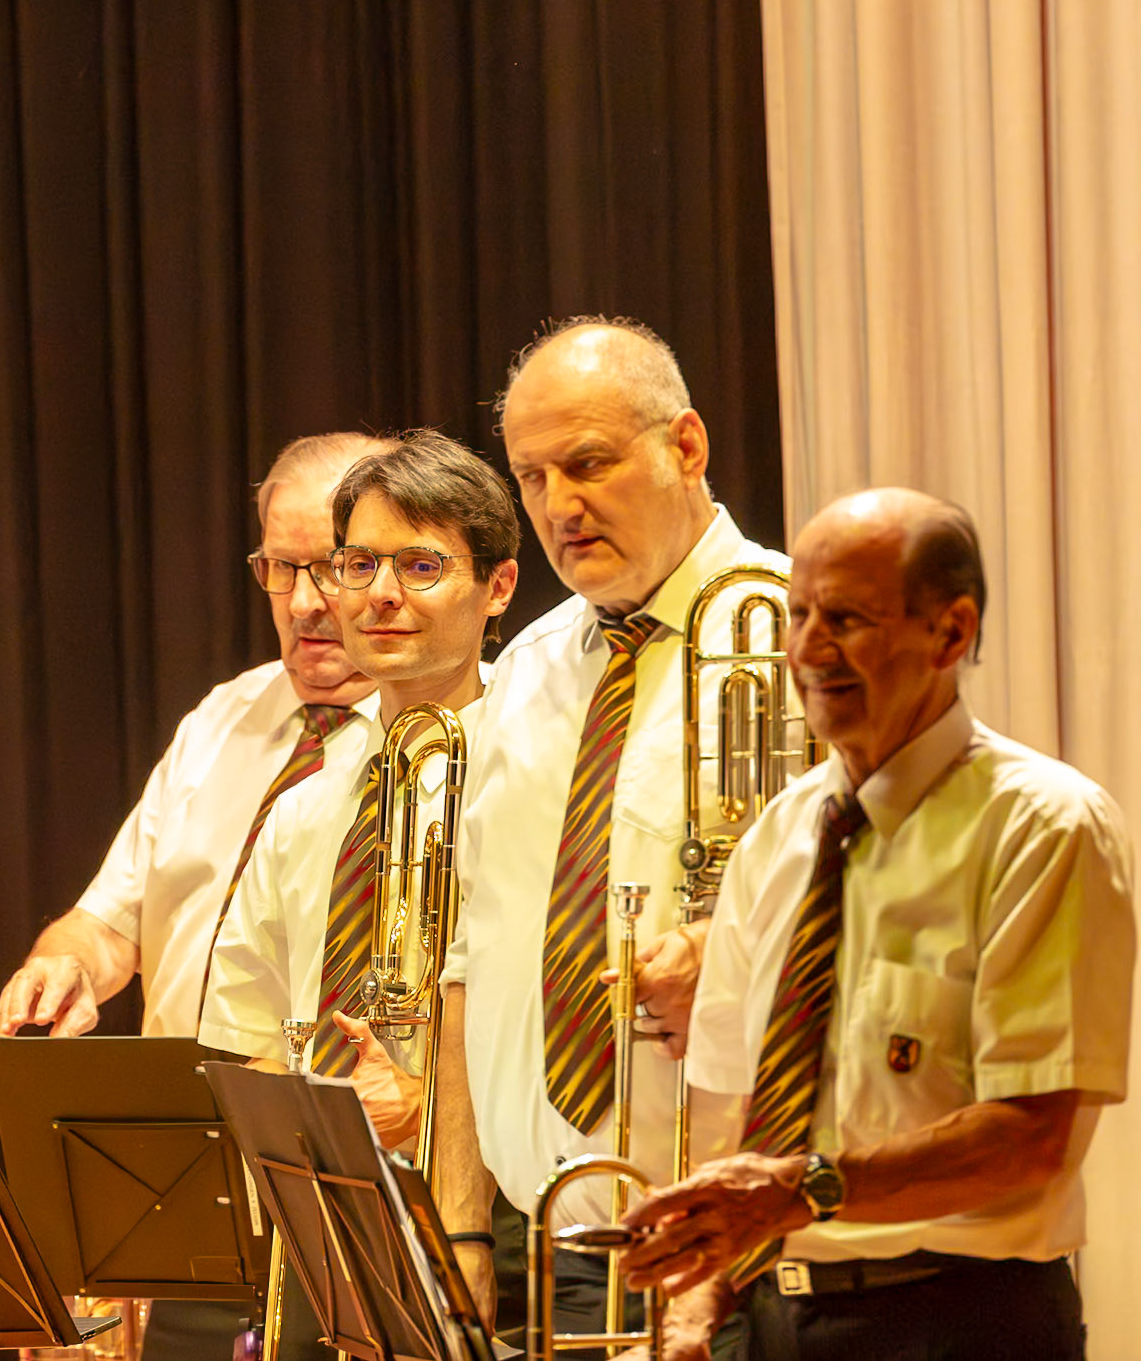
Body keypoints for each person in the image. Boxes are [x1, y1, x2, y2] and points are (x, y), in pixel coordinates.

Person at [621, 489, 1133, 1361]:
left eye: (847, 619)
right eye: (798, 614)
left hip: (957, 1322)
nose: (809, 649)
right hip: (778, 1318)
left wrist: (800, 1190)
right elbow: (735, 1112)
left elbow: (1029, 1136)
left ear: (951, 632)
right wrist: (694, 1307)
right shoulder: (778, 835)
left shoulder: (1043, 825)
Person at [435, 317, 789, 1354]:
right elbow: (474, 960)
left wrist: (739, 962)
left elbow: (897, 927)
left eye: (588, 464)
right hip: (546, 1259)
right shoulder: (534, 665)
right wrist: (461, 1225)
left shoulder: (800, 635)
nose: (559, 507)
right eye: (532, 477)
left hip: (736, 1256)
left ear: (687, 446)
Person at [0, 432, 388, 1041]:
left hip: (354, 1120)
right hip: (181, 1115)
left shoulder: (464, 724)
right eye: (282, 567)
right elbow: (109, 925)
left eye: (336, 569)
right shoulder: (222, 716)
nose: (303, 603)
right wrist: (65, 963)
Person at [200, 430, 519, 1149]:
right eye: (359, 564)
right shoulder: (303, 801)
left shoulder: (537, 763)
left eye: (418, 565)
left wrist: (430, 1103)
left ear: (496, 587)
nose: (380, 594)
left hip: (502, 1203)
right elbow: (246, 1034)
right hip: (331, 1201)